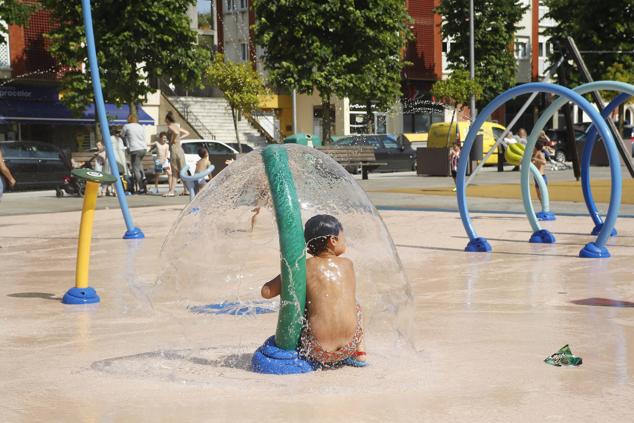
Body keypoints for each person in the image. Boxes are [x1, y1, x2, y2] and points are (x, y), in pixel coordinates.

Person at [261, 214, 367, 368]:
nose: (345, 241)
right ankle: (360, 354)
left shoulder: (303, 267)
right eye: (344, 238)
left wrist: (289, 271)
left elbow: (266, 292)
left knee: (305, 304)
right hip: (348, 346)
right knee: (356, 306)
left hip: (317, 350)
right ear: (333, 240)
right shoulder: (348, 264)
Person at [164, 111, 190, 197]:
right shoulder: (177, 125)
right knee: (182, 171)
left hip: (174, 150)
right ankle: (187, 190)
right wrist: (179, 139)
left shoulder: (170, 126)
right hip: (180, 149)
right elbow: (187, 133)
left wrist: (172, 140)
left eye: (165, 119)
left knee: (175, 172)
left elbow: (176, 133)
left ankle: (171, 191)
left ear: (168, 119)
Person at [121, 114, 147, 194]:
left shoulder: (126, 126)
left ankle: (141, 187)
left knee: (135, 168)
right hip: (143, 148)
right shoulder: (140, 126)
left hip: (134, 149)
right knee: (139, 164)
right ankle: (144, 177)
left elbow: (122, 135)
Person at [532, 140, 548, 207]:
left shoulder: (539, 154)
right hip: (537, 177)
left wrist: (535, 159)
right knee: (539, 195)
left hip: (541, 177)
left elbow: (544, 162)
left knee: (542, 194)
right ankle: (543, 207)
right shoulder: (534, 154)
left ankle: (545, 208)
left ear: (535, 147)